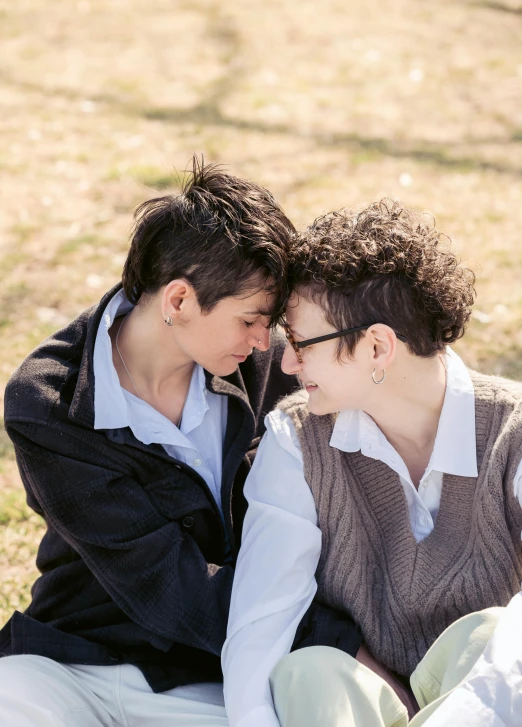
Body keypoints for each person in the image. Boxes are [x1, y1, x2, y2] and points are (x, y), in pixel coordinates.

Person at [0, 159, 360, 727]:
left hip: (217, 675)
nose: (266, 341)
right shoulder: (47, 404)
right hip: (71, 667)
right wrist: (342, 643)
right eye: (249, 320)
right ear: (178, 301)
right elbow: (171, 587)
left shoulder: (265, 366)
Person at [222, 200, 522, 727]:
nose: (286, 364)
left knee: (497, 633)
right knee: (308, 672)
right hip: (359, 707)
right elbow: (261, 623)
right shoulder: (295, 441)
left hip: (491, 701)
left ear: (378, 347)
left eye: (299, 341)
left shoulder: (513, 433)